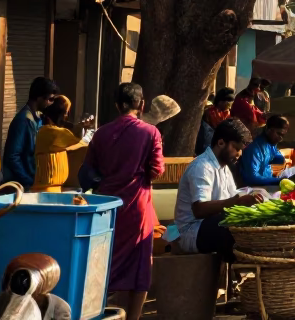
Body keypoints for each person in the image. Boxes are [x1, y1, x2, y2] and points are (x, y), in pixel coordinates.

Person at [82, 83, 164, 320]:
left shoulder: (101, 133)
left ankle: (100, 313)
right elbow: (157, 170)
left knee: (106, 261)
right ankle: (133, 317)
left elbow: (89, 170)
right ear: (141, 104)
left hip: (106, 207)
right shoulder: (150, 133)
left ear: (117, 105)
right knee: (140, 265)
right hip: (138, 206)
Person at [175, 118, 259, 262]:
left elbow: (233, 200)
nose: (239, 154)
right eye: (236, 148)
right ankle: (234, 275)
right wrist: (237, 202)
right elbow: (199, 209)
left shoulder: (225, 168)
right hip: (192, 231)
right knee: (232, 227)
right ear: (221, 143)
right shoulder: (202, 167)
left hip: (211, 225)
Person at [3, 77, 60, 187]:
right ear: (39, 98)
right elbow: (12, 157)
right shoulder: (24, 121)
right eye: (50, 99)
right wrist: (29, 181)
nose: (51, 104)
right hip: (21, 187)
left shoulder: (38, 119)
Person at [33, 96, 89, 192]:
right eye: (66, 113)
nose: (66, 117)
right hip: (46, 190)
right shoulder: (49, 132)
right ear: (58, 114)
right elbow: (76, 139)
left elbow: (77, 144)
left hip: (56, 188)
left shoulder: (52, 131)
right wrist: (81, 127)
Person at [239, 115, 289, 187]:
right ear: (268, 129)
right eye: (278, 134)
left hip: (267, 183)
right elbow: (252, 178)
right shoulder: (254, 148)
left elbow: (279, 158)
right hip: (254, 188)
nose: (280, 138)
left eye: (283, 135)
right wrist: (279, 180)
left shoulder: (271, 143)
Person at [195, 88, 236, 155]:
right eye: (228, 101)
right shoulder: (211, 112)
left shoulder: (228, 113)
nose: (229, 104)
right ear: (220, 101)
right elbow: (219, 126)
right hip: (208, 144)